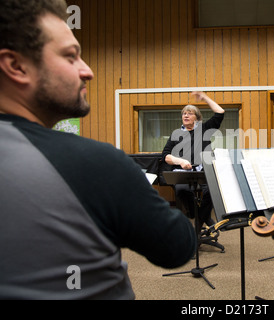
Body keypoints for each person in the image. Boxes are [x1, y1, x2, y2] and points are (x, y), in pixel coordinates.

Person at [0, 0, 196, 299]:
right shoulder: (97, 163)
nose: (87, 70)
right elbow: (177, 247)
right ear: (16, 66)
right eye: (70, 56)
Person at [162, 91, 225, 228]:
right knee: (182, 190)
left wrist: (205, 98)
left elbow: (220, 112)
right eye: (184, 113)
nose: (186, 115)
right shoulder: (176, 134)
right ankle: (201, 216)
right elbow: (166, 156)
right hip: (183, 172)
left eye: (189, 113)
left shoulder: (204, 129)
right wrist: (180, 161)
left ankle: (199, 221)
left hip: (203, 170)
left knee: (213, 191)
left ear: (197, 118)